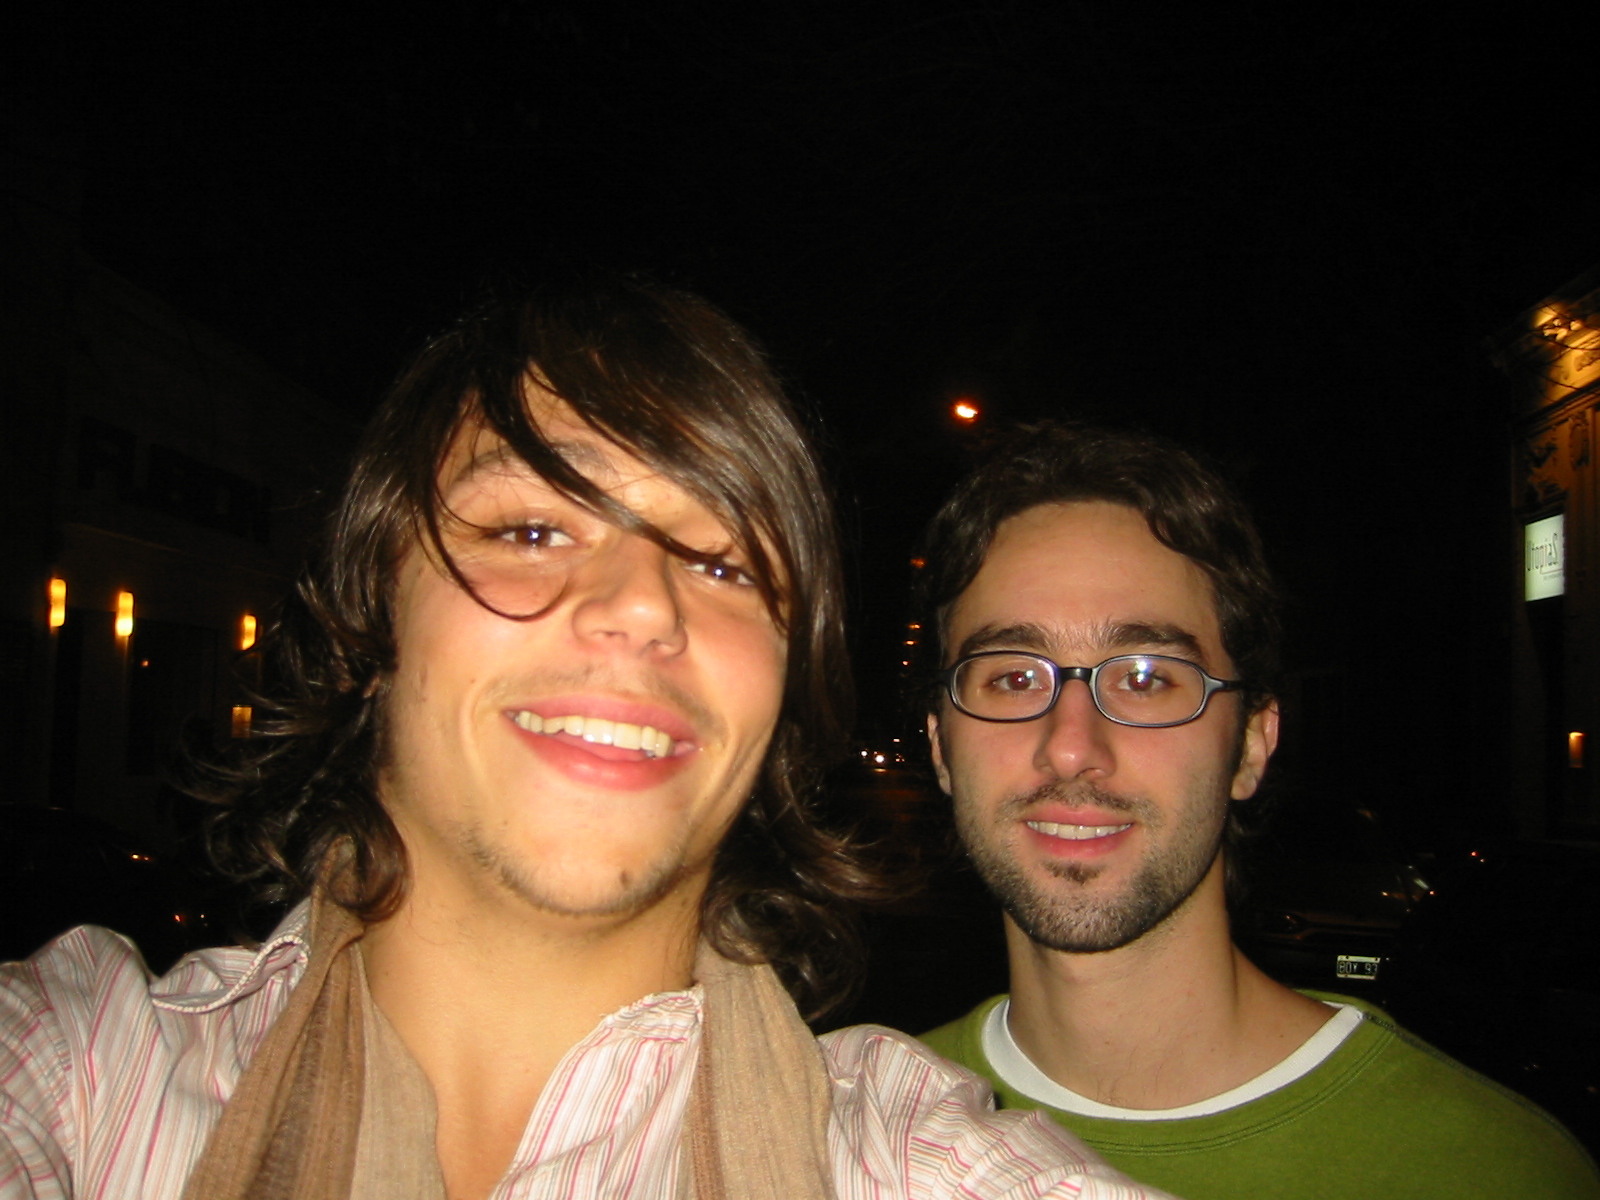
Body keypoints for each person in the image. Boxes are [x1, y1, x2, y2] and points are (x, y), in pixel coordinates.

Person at [0, 283, 1165, 1200]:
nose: (645, 604)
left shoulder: (902, 1161)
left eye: (722, 563)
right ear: (369, 621)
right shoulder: (75, 1071)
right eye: (531, 528)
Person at [915, 421, 1600, 1200]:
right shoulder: (847, 1138)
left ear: (1250, 744)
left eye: (1145, 678)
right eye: (1012, 678)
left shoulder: (1495, 1174)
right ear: (940, 746)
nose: (1071, 748)